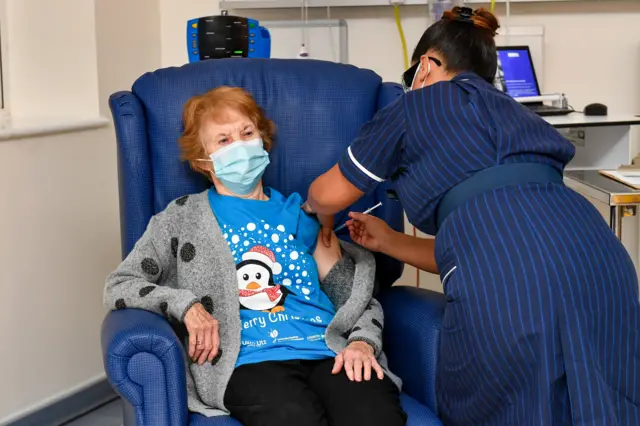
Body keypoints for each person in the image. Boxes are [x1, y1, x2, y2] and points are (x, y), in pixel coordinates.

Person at [304, 6, 640, 426]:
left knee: (510, 406)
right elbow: (473, 246)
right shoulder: (516, 111)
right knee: (604, 403)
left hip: (512, 284)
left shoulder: (415, 108)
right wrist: (388, 241)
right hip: (600, 262)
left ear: (425, 65)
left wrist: (308, 209)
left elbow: (329, 193)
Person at [104, 87, 406, 426]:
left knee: (376, 415)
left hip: (327, 349)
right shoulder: (182, 219)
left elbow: (354, 297)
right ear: (202, 161)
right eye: (223, 140)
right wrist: (186, 306)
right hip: (248, 360)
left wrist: (363, 343)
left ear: (262, 138)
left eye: (247, 133)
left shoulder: (303, 215)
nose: (240, 146)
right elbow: (121, 285)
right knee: (295, 419)